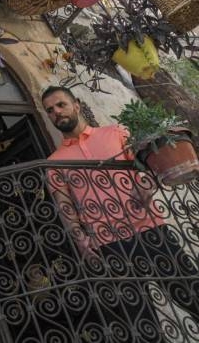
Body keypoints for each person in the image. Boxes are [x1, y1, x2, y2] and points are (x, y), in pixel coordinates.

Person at [41, 85, 199, 342]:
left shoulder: (116, 132)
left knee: (190, 293)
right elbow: (64, 204)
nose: (56, 112)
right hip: (108, 244)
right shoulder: (54, 161)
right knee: (141, 322)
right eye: (50, 110)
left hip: (149, 228)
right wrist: (80, 239)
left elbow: (145, 168)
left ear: (76, 105)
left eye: (61, 105)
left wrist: (148, 184)